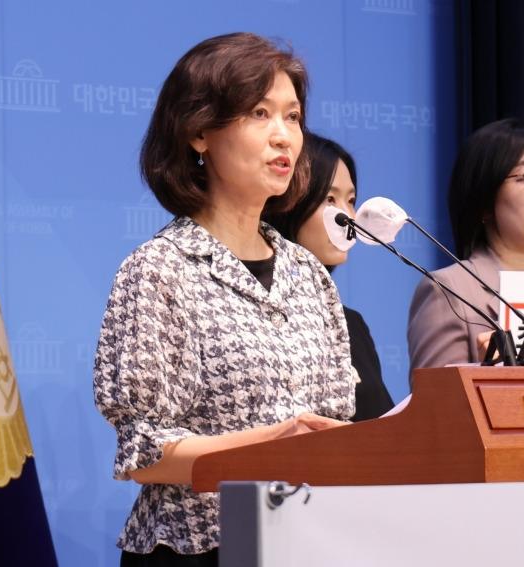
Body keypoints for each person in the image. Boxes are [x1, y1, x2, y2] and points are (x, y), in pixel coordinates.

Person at [93, 33, 356, 566]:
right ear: (198, 133)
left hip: (303, 542)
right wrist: (272, 443)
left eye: (293, 117)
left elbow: (335, 428)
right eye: (260, 114)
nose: (284, 137)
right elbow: (146, 453)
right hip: (197, 547)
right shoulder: (159, 270)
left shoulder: (309, 274)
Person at [265, 132, 393, 421]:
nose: (347, 217)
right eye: (330, 199)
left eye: (351, 200)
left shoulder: (352, 324)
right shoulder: (263, 318)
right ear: (289, 202)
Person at [408, 118, 524, 377]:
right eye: (523, 177)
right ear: (484, 200)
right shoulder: (449, 290)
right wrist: (488, 377)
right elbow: (437, 410)